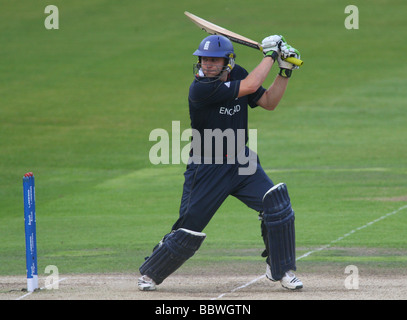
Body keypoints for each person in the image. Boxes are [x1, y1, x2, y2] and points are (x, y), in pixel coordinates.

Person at [138, 34, 303, 291]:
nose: (207, 65)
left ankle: (281, 269)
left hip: (241, 162)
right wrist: (271, 55)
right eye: (204, 60)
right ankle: (150, 273)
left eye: (214, 60)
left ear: (228, 61)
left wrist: (285, 70)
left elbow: (269, 102)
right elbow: (249, 86)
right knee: (188, 229)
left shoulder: (239, 73)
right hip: (207, 166)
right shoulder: (200, 88)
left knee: (277, 206)